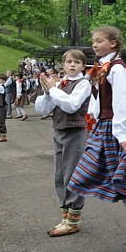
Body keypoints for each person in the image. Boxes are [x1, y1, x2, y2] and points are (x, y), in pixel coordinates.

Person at [68, 26, 126, 252]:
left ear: (113, 43)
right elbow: (98, 97)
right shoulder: (102, 67)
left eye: (99, 41)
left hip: (115, 126)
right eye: (93, 41)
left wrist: (122, 135)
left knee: (103, 175)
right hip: (105, 126)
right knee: (107, 176)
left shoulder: (116, 69)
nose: (94, 44)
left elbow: (122, 102)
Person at [35, 49, 91, 237]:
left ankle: (73, 220)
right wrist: (47, 92)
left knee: (72, 175)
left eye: (77, 62)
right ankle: (65, 217)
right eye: (69, 62)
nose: (72, 65)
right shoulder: (60, 84)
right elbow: (43, 110)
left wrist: (53, 90)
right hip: (58, 131)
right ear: (63, 64)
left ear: (83, 66)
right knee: (59, 175)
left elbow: (71, 105)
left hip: (75, 132)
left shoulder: (83, 84)